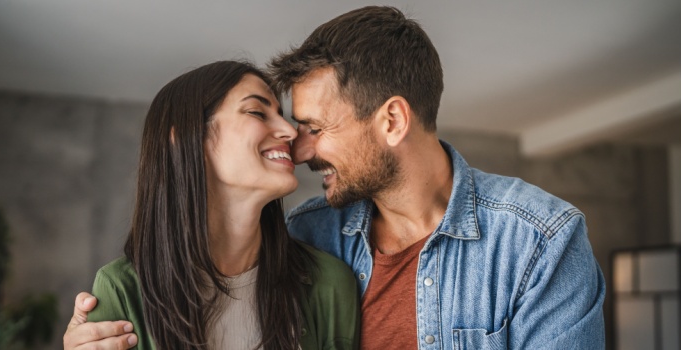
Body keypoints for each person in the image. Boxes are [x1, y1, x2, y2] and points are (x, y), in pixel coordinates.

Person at [65, 6, 606, 349]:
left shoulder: (539, 242)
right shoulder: (306, 235)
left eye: (314, 127)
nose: (297, 147)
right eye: (278, 119)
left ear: (391, 120)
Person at [67, 60, 359, 350]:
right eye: (257, 112)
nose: (291, 131)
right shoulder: (119, 288)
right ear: (184, 137)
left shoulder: (329, 284)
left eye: (281, 115)